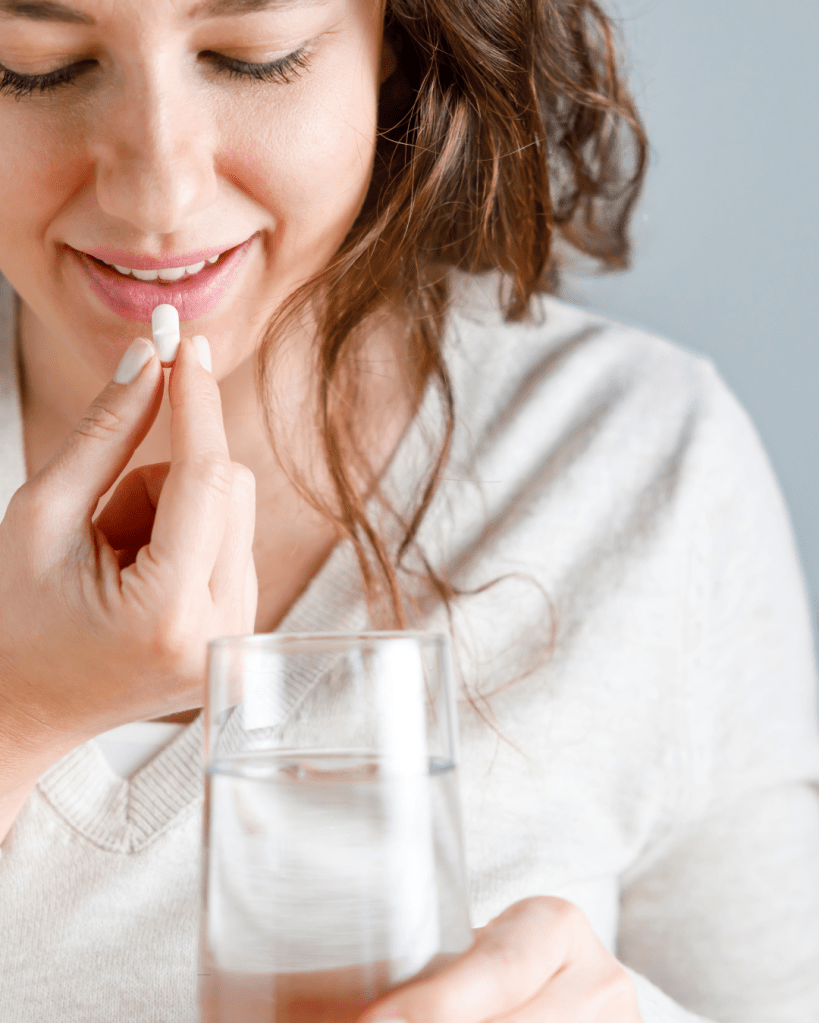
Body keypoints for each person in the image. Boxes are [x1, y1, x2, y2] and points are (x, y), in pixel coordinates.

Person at [0, 0, 817, 1020]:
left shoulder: (631, 460)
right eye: (32, 68)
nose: (157, 192)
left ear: (396, 33)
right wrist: (18, 712)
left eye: (256, 59)